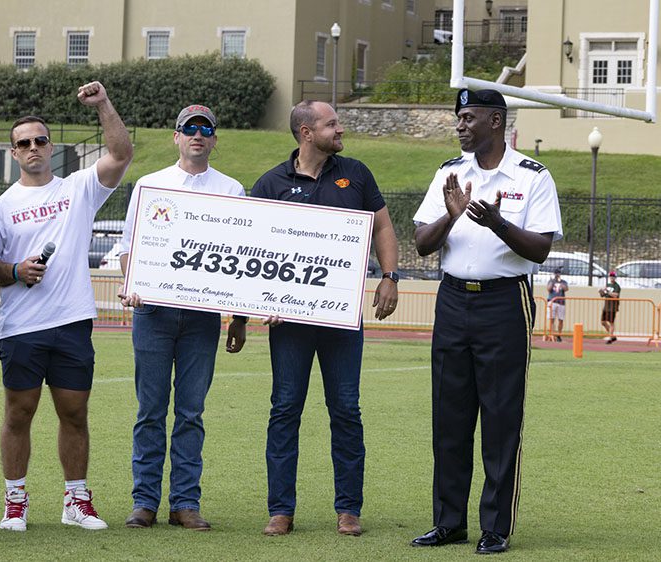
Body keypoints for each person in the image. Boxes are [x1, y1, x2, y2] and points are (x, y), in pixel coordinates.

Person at [410, 89, 562, 555]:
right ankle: (449, 522)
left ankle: (495, 527)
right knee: (449, 418)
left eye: (469, 117)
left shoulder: (532, 176)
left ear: (496, 121)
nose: (460, 126)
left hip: (503, 303)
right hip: (453, 300)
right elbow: (421, 243)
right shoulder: (448, 173)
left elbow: (539, 249)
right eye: (458, 118)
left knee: (500, 418)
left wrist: (497, 223)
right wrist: (452, 218)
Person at [0, 80, 133, 532]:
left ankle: (76, 500)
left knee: (74, 413)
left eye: (40, 140)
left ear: (52, 147)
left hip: (71, 321)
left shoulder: (79, 188)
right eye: (23, 143)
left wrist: (104, 104)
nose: (33, 147)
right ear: (14, 153)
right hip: (21, 326)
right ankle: (15, 501)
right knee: (18, 413)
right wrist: (15, 271)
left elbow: (121, 152)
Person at [250, 100, 400, 538]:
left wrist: (389, 276)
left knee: (347, 410)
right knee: (285, 410)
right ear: (305, 132)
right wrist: (255, 305)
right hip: (289, 324)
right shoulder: (271, 182)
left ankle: (348, 509)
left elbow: (383, 228)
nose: (341, 128)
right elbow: (248, 246)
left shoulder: (356, 173)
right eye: (331, 123)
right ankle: (281, 510)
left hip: (341, 318)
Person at [116, 105, 248, 531]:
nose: (197, 135)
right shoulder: (150, 185)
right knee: (150, 411)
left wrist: (239, 316)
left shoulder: (231, 190)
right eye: (188, 128)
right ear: (176, 137)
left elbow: (242, 256)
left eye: (205, 129)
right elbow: (127, 248)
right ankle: (145, 502)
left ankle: (185, 503)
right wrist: (132, 282)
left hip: (202, 316)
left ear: (214, 139)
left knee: (191, 412)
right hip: (152, 312)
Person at [546, 267, 568, 342]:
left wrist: (560, 282)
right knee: (552, 319)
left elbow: (566, 289)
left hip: (561, 302)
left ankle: (559, 335)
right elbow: (548, 289)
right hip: (552, 302)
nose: (557, 275)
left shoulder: (563, 282)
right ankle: (552, 334)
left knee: (560, 319)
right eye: (556, 273)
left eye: (558, 273)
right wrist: (553, 281)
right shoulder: (551, 281)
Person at [599, 271, 621, 343]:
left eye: (613, 276)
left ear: (615, 277)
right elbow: (603, 295)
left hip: (612, 306)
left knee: (611, 322)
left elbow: (615, 295)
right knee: (603, 322)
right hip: (606, 306)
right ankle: (612, 336)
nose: (612, 277)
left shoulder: (616, 286)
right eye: (611, 276)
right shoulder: (607, 284)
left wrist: (607, 291)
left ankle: (610, 338)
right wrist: (601, 291)